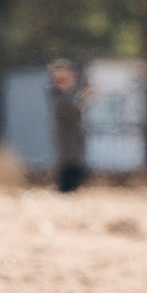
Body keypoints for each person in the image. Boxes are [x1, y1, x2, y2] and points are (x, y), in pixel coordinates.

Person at [48, 59, 88, 193]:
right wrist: (84, 97)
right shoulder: (57, 96)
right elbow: (73, 110)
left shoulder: (68, 95)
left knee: (75, 167)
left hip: (73, 142)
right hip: (66, 143)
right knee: (68, 170)